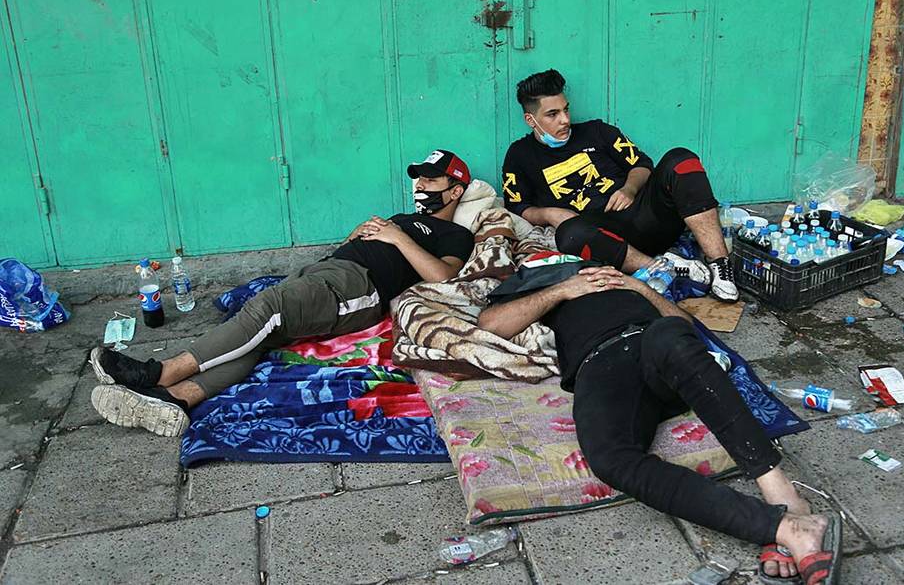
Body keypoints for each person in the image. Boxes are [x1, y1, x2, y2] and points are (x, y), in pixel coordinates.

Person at [477, 262, 841, 584]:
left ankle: (786, 499)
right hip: (599, 364)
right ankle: (783, 526)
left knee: (671, 336)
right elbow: (491, 324)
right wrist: (562, 290)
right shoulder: (540, 290)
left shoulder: (626, 282)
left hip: (653, 342)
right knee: (610, 457)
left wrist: (638, 287)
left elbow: (684, 328)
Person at [89, 150, 476, 437]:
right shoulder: (403, 218)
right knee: (258, 339)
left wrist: (397, 238)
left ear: (455, 190)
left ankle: (158, 372)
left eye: (431, 180)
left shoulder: (454, 233)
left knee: (268, 309)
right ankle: (176, 400)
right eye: (419, 179)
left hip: (358, 287)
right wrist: (358, 236)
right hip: (326, 275)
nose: (420, 186)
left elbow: (443, 276)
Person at [501, 68, 739, 302]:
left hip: (648, 215)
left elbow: (643, 164)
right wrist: (550, 213)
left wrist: (629, 188)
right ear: (531, 120)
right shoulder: (520, 155)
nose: (565, 120)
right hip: (606, 238)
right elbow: (517, 205)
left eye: (566, 110)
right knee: (569, 234)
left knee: (681, 159)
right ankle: (662, 266)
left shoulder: (597, 131)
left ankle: (720, 264)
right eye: (552, 114)